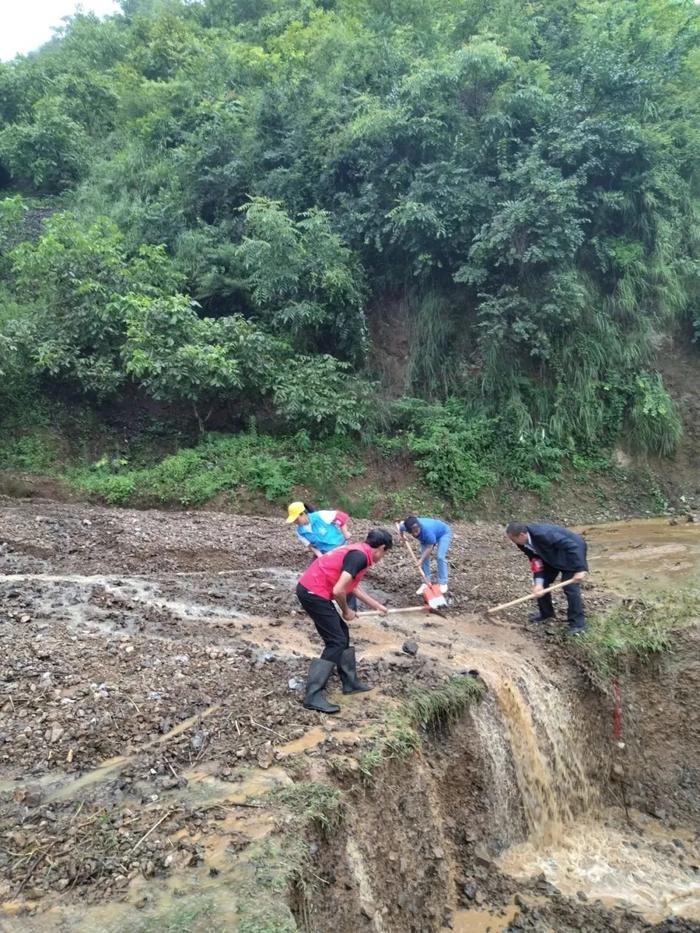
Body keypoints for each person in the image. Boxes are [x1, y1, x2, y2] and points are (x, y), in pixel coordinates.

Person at [296, 529, 393, 714]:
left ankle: (349, 682)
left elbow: (352, 587)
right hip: (312, 592)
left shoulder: (359, 552)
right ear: (381, 548)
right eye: (385, 553)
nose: (383, 557)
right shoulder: (359, 557)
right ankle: (313, 696)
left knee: (342, 634)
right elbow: (339, 590)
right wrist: (346, 611)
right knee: (336, 641)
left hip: (315, 590)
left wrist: (377, 606)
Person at [505, 521, 588, 634]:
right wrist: (538, 583)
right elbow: (535, 559)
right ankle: (546, 613)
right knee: (542, 583)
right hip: (549, 555)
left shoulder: (544, 534)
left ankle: (578, 624)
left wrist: (581, 569)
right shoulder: (521, 542)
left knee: (570, 588)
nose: (513, 542)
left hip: (571, 553)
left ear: (521, 535)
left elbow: (571, 545)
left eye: (513, 540)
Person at [398, 516, 452, 594]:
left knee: (440, 557)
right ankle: (426, 582)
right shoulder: (405, 526)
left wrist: (420, 560)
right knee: (425, 559)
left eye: (417, 531)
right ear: (409, 530)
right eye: (413, 532)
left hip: (443, 533)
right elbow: (401, 527)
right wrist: (401, 536)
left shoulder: (427, 531)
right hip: (426, 538)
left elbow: (430, 547)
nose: (416, 534)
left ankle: (443, 582)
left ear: (419, 526)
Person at [286, 501, 350, 558]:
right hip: (324, 553)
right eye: (294, 520)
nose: (295, 522)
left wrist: (345, 533)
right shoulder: (300, 531)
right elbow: (310, 545)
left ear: (303, 514)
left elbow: (341, 516)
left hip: (340, 546)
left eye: (296, 519)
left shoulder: (320, 515)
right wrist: (320, 556)